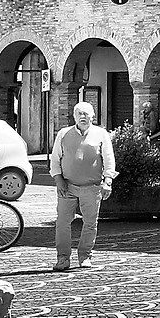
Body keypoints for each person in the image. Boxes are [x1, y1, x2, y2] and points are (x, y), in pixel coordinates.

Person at [50, 102, 117, 271]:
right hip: (67, 186)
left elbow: (108, 159)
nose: (83, 117)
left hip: (92, 187)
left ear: (93, 116)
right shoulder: (64, 134)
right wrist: (58, 179)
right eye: (79, 113)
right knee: (63, 222)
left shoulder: (101, 134)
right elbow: (55, 159)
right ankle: (63, 258)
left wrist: (107, 181)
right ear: (74, 116)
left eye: (86, 114)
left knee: (90, 223)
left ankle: (85, 256)